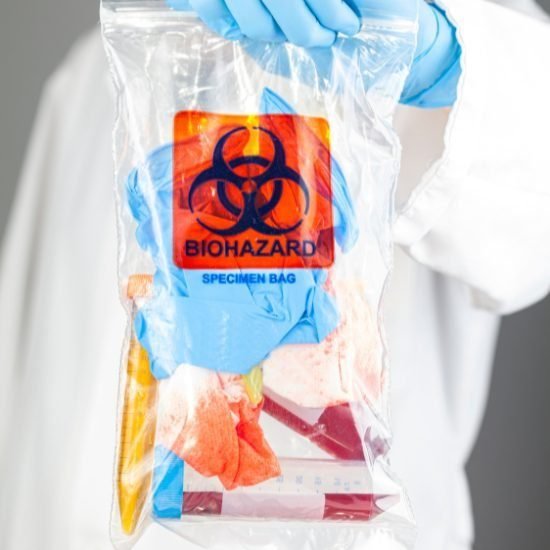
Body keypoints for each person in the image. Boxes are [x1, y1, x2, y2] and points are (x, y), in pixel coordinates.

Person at [0, 0, 548, 549]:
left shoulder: (422, 21)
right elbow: (20, 343)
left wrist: (446, 62)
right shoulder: (95, 72)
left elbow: (532, 217)